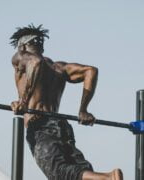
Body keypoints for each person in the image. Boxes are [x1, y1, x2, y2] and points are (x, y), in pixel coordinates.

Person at [10, 24, 123, 180]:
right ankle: (104, 178)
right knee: (77, 170)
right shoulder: (58, 68)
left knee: (59, 173)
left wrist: (23, 102)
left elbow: (35, 62)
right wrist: (83, 110)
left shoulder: (21, 56)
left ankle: (109, 177)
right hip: (61, 125)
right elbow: (90, 71)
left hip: (39, 124)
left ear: (22, 46)